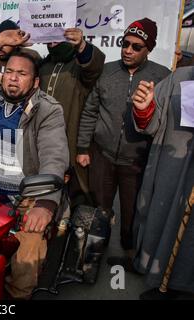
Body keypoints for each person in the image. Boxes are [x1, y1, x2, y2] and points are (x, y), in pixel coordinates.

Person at [0, 29, 69, 299]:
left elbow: (54, 157)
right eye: (9, 71)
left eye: (22, 74)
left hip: (26, 200)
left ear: (35, 82)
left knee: (26, 261)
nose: (13, 78)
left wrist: (45, 204)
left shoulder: (47, 109)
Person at [76, 18, 171, 269]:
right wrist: (83, 148)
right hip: (103, 156)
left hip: (137, 161)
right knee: (101, 208)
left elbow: (165, 122)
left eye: (136, 46)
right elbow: (90, 112)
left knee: (132, 213)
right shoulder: (107, 72)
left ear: (148, 48)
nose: (128, 50)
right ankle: (95, 252)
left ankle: (131, 256)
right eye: (125, 43)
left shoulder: (162, 77)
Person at [131, 67, 194, 300]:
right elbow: (152, 123)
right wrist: (144, 108)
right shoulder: (180, 77)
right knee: (160, 219)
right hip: (170, 172)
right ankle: (159, 277)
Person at [39, 28, 105, 206]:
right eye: (49, 39)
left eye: (57, 38)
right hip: (43, 138)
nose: (52, 43)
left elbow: (94, 66)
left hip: (72, 139)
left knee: (75, 194)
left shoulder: (78, 65)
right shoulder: (44, 65)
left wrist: (82, 45)